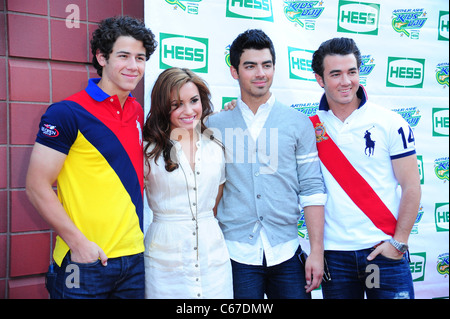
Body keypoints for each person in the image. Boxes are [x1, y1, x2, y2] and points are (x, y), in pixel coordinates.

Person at [25, 16, 157, 299]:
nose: (133, 66)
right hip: (84, 261)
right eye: (123, 56)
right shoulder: (66, 113)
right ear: (101, 57)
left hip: (134, 258)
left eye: (140, 58)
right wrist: (78, 244)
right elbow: (36, 187)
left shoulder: (136, 112)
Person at [207, 29, 327, 299]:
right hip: (235, 254)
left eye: (267, 65)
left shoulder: (298, 123)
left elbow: (311, 188)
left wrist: (316, 251)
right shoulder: (214, 125)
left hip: (286, 251)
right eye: (250, 66)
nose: (260, 73)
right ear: (234, 71)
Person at [310, 37, 421, 299]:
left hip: (382, 253)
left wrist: (399, 242)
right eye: (335, 74)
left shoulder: (390, 122)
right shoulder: (308, 127)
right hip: (335, 258)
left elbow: (411, 186)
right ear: (319, 79)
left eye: (352, 72)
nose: (346, 81)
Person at [142, 67, 233, 299]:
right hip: (163, 257)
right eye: (177, 104)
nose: (188, 110)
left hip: (213, 256)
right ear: (164, 107)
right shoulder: (147, 150)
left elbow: (214, 201)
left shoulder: (215, 147)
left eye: (194, 100)